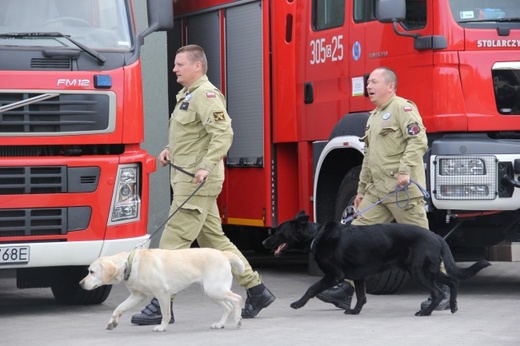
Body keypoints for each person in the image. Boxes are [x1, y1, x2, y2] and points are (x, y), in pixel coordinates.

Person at [131, 44, 275, 325]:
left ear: (197, 66)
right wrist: (169, 149)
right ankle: (257, 290)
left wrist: (205, 167)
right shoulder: (188, 95)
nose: (174, 69)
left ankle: (162, 306)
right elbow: (193, 137)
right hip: (189, 178)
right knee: (215, 241)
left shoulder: (206, 95)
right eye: (174, 64)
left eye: (179, 64)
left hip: (196, 182)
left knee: (172, 243)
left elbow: (223, 133)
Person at [316, 67, 450, 312]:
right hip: (377, 193)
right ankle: (346, 289)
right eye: (368, 82)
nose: (369, 86)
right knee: (353, 235)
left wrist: (405, 170)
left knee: (423, 241)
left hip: (402, 192)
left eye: (374, 82)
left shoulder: (403, 108)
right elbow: (369, 157)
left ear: (390, 86)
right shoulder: (374, 116)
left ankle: (442, 291)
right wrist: (361, 190)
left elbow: (418, 140)